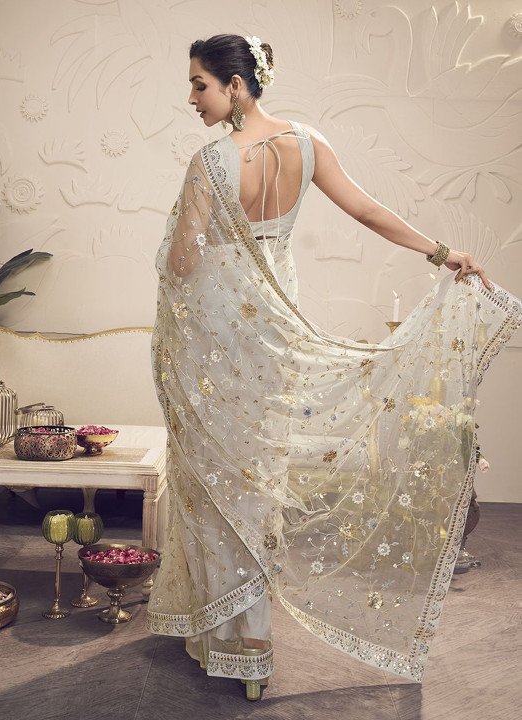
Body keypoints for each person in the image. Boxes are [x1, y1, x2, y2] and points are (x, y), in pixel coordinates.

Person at [146, 33, 521, 700]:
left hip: (218, 340)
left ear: (236, 86)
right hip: (274, 334)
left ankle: (235, 638)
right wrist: (443, 254)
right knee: (256, 474)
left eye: (200, 84)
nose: (192, 98)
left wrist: (182, 245)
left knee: (214, 478)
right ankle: (246, 639)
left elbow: (182, 262)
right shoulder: (307, 143)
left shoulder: (209, 163)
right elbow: (367, 210)